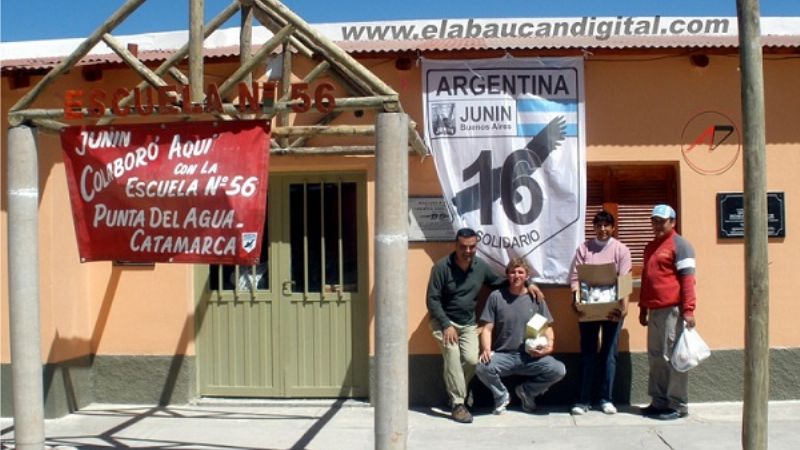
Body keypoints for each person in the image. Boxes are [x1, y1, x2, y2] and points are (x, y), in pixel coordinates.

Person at [427, 228, 544, 423]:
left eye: (472, 247)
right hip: (443, 322)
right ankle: (458, 404)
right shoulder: (441, 268)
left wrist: (528, 283)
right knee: (453, 354)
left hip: (468, 323)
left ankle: (458, 394)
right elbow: (432, 300)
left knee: (472, 360)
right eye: (463, 247)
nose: (468, 251)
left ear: (476, 246)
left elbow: (499, 283)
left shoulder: (480, 266)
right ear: (455, 245)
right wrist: (446, 324)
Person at [474, 258, 566, 415]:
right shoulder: (496, 297)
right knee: (481, 367)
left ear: (527, 276)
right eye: (512, 272)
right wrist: (486, 349)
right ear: (507, 275)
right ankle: (502, 396)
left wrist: (549, 347)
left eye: (520, 272)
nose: (516, 275)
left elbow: (547, 327)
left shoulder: (535, 299)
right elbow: (487, 328)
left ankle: (527, 392)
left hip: (530, 356)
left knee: (558, 370)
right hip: (504, 355)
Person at [568, 211, 632, 415]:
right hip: (589, 309)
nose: (602, 229)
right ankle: (583, 400)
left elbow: (625, 279)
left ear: (613, 228)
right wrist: (575, 302)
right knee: (588, 354)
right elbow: (575, 277)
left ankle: (606, 399)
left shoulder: (621, 249)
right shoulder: (584, 249)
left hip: (612, 309)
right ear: (593, 227)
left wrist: (624, 308)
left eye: (606, 225)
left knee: (609, 355)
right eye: (599, 225)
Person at [638, 204, 697, 420]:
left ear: (673, 222)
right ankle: (659, 401)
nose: (657, 225)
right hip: (654, 310)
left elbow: (688, 280)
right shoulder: (650, 246)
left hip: (672, 311)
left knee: (674, 358)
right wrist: (642, 307)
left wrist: (689, 310)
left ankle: (678, 405)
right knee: (656, 357)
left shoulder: (681, 245)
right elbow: (646, 279)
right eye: (654, 220)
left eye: (662, 221)